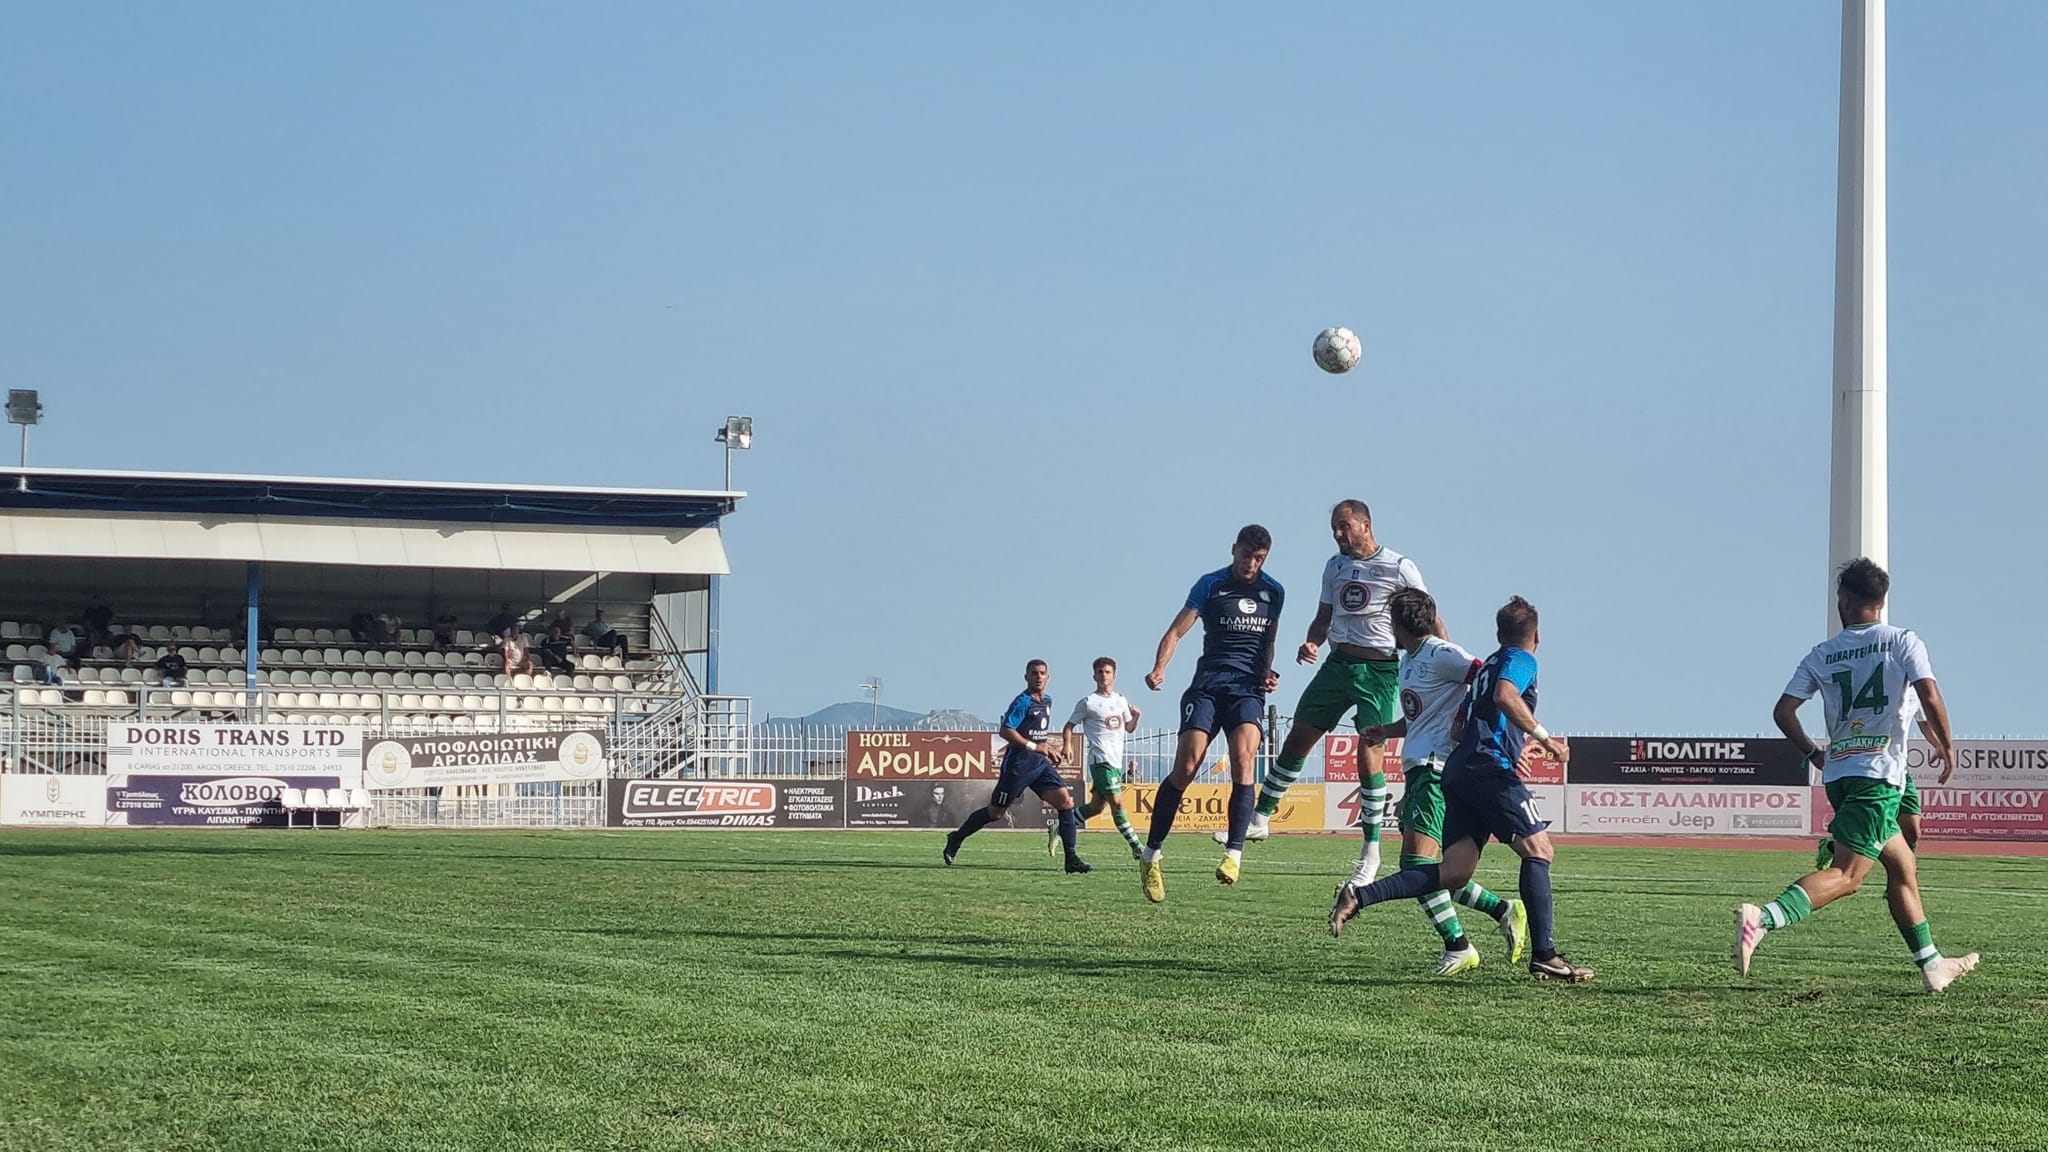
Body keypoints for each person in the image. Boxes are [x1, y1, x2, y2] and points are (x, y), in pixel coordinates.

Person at [1735, 558, 1978, 993]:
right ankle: (1764, 918)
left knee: (1905, 857)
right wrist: (1948, 743)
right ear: (1882, 601)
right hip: (1877, 775)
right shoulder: (1902, 640)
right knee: (1849, 875)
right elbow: (1929, 692)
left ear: (1844, 602)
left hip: (1851, 770)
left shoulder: (1822, 653)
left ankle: (1932, 965)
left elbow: (1783, 711)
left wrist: (1812, 751)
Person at [1331, 595, 1593, 982]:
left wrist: (1510, 743)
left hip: (1457, 771)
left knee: (1453, 872)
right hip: (1487, 768)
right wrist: (1545, 739)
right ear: (1536, 635)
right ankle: (1545, 955)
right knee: (1539, 850)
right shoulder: (1519, 659)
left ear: (1498, 631)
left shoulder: (1485, 664)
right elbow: (1506, 696)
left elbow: (1459, 725)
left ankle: (1360, 895)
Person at [1215, 502, 1433, 896]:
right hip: (1337, 664)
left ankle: (1370, 852)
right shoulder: (1334, 567)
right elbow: (1323, 616)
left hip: (1380, 670)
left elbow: (1427, 616)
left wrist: (1441, 658)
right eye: (1334, 528)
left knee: (1368, 755)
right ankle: (1261, 817)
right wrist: (1312, 641)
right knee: (1298, 737)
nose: (1337, 534)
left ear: (1366, 525)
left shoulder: (1400, 567)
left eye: (1344, 527)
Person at [1353, 589, 1524, 974]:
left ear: (1399, 622)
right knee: (1439, 868)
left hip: (1437, 767)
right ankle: (1503, 910)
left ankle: (1459, 946)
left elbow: (1486, 678)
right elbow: (1419, 717)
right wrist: (1386, 730)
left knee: (1416, 862)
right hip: (1419, 767)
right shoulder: (1410, 661)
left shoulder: (1440, 653)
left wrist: (1476, 725)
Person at [1137, 525, 1284, 901]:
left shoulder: (1274, 592)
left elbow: (1268, 643)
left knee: (1243, 760)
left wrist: (1267, 673)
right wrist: (1160, 668)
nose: (1252, 564)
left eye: (1259, 558)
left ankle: (1234, 854)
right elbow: (1175, 632)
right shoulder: (1210, 584)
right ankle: (1151, 855)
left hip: (1247, 691)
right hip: (1207, 686)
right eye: (1247, 555)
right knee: (1186, 768)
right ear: (1234, 549)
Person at [943, 659, 1091, 873]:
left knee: (1066, 801)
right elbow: (1006, 731)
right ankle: (956, 837)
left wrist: (1048, 749)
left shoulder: (1047, 701)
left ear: (1048, 677)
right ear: (1026, 677)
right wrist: (1034, 746)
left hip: (1039, 765)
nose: (1038, 676)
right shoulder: (1022, 702)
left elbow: (1035, 733)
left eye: (1042, 673)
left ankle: (1071, 859)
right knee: (995, 813)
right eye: (1034, 673)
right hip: (1018, 767)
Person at [1062, 656, 1144, 861]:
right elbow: (1069, 726)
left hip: (1116, 761)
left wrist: (1136, 717)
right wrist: (1067, 745)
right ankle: (1137, 847)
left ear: (1114, 675)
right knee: (1117, 802)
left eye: (1107, 672)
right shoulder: (1089, 702)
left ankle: (1059, 826)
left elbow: (1129, 729)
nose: (1103, 675)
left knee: (1097, 807)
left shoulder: (1121, 700)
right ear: (1094, 676)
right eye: (1100, 672)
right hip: (1100, 760)